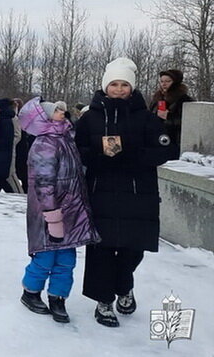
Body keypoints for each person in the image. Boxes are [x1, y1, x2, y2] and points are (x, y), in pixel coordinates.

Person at [76, 57, 175, 328]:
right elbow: (77, 150)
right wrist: (99, 149)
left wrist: (130, 153)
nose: (119, 89)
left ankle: (124, 285)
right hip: (100, 192)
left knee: (133, 248)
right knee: (102, 250)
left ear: (131, 88)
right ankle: (104, 299)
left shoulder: (146, 118)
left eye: (124, 85)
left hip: (137, 194)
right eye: (114, 84)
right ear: (105, 86)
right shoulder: (89, 118)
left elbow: (165, 150)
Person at [17, 97, 100, 324]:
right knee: (45, 256)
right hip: (50, 212)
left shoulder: (66, 138)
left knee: (66, 257)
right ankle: (31, 292)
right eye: (56, 110)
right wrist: (52, 215)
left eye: (62, 109)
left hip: (70, 209)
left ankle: (58, 297)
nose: (62, 112)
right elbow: (43, 183)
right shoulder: (45, 143)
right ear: (43, 117)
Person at [149, 69, 193, 155]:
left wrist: (169, 117)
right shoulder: (157, 98)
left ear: (175, 82)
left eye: (167, 81)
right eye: (161, 81)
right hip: (156, 141)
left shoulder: (184, 100)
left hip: (175, 142)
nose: (163, 84)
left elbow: (189, 123)